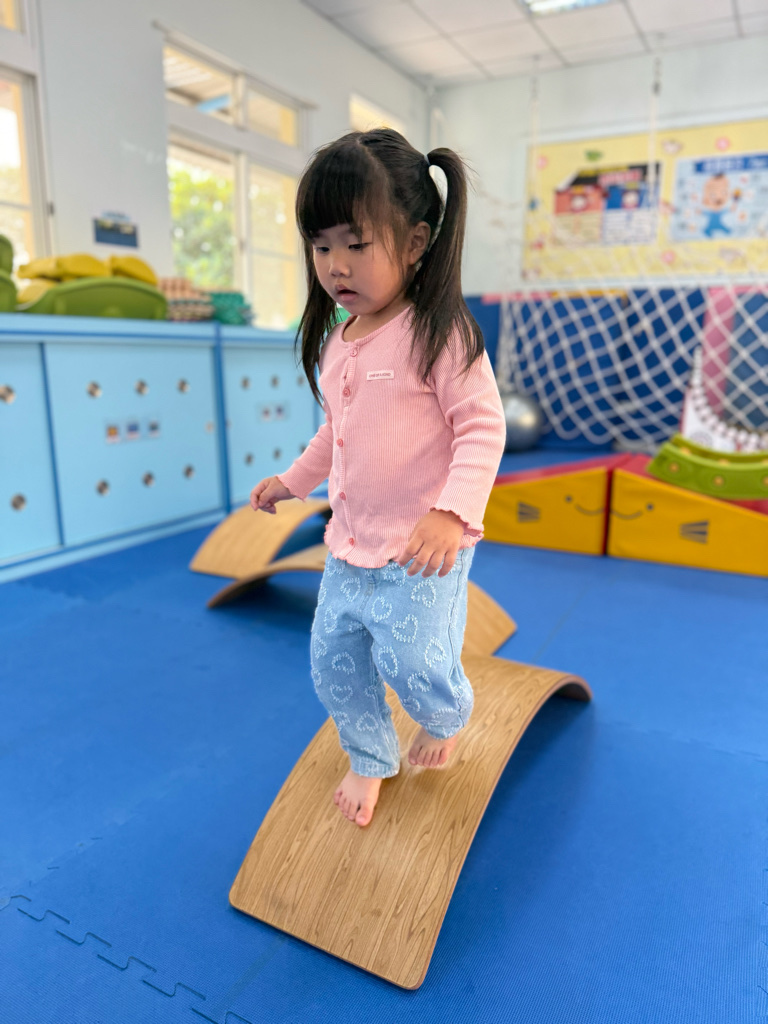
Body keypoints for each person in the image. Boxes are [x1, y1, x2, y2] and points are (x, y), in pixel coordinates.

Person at [250, 129, 507, 827]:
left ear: (417, 241)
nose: (335, 265)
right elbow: (334, 434)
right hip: (350, 545)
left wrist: (452, 513)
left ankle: (446, 715)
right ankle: (369, 755)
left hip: (423, 551)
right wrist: (292, 482)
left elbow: (483, 429)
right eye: (321, 246)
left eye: (356, 244)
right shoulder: (339, 340)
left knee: (415, 665)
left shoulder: (440, 333)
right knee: (332, 659)